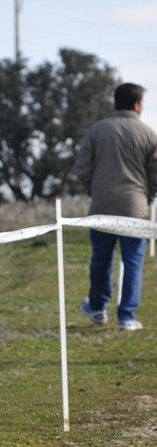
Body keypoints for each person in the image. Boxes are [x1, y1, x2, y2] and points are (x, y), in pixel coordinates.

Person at [73, 82, 157, 331]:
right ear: (137, 105)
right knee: (133, 262)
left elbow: (81, 168)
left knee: (101, 258)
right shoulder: (149, 134)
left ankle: (98, 307)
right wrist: (148, 195)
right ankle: (127, 316)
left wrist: (93, 189)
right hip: (136, 208)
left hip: (102, 204)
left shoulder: (97, 130)